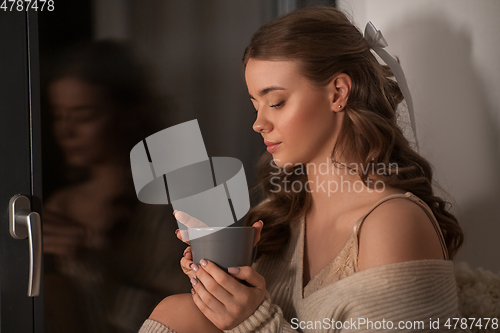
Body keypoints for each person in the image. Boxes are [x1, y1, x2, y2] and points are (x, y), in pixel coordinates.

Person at [139, 7, 467, 333]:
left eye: (276, 102)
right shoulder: (279, 219)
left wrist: (254, 323)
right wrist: (219, 280)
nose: (258, 123)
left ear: (338, 92)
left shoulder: (392, 224)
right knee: (180, 311)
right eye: (255, 105)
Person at [42, 41, 191, 333]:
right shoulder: (60, 206)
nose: (66, 131)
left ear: (128, 113)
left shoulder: (167, 201)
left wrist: (94, 269)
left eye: (84, 116)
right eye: (59, 116)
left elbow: (188, 314)